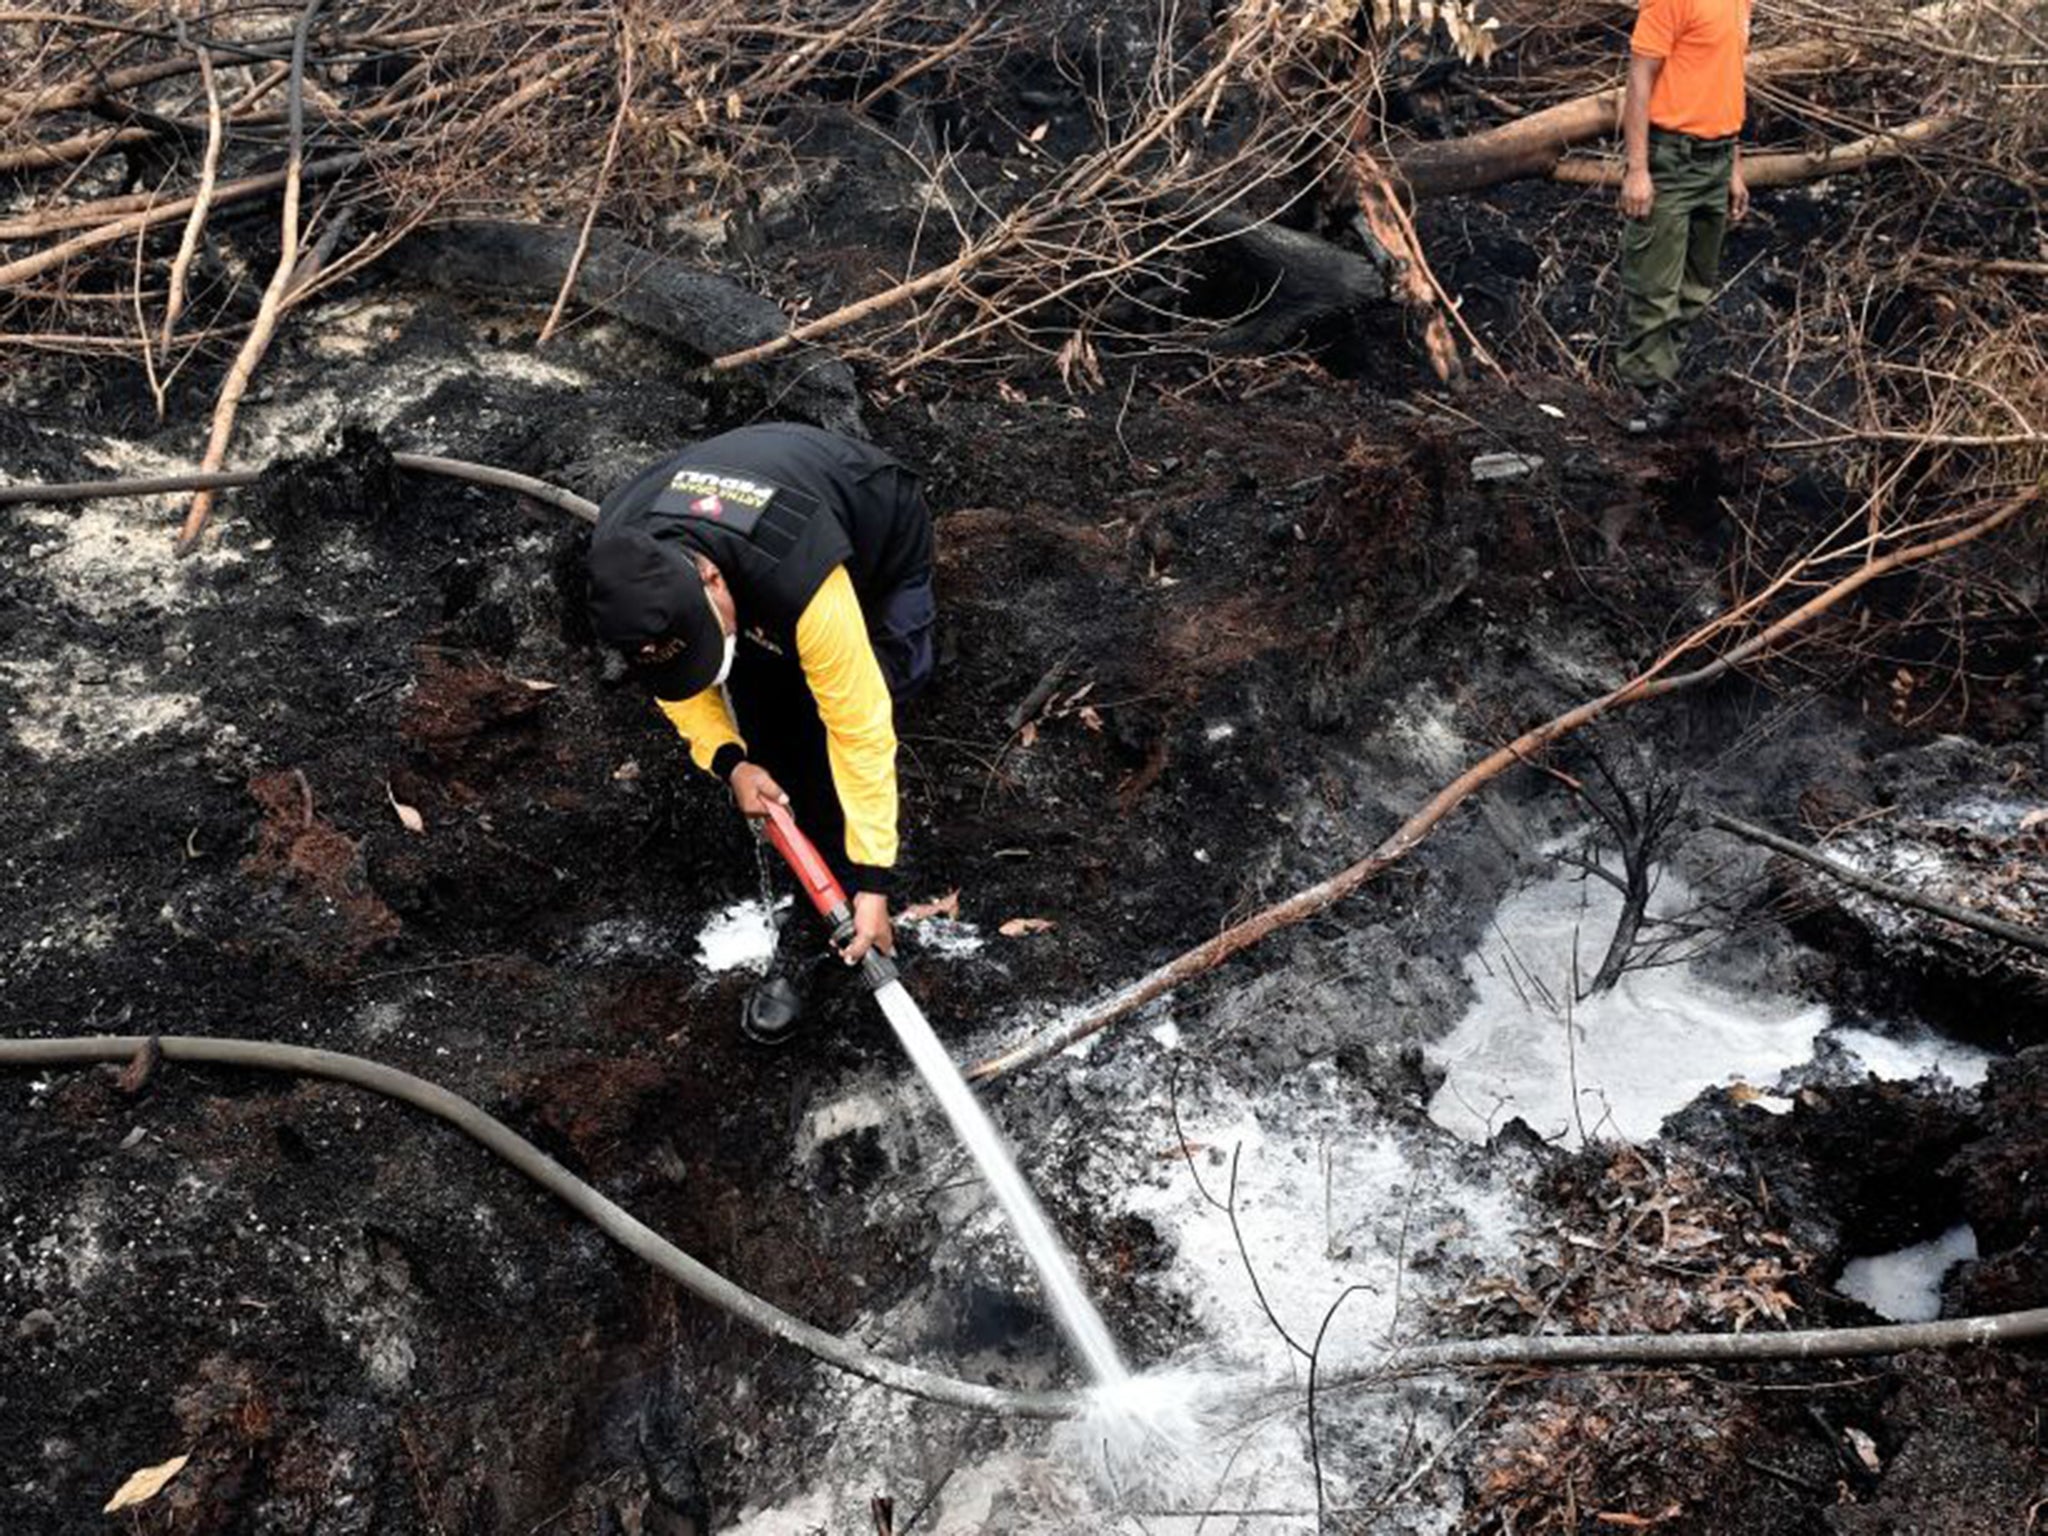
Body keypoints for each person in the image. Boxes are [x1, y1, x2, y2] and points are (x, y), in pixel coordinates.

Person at [586, 423, 936, 1044]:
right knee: (773, 717)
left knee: (885, 680)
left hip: (872, 513)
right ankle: (814, 914)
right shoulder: (626, 560)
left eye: (700, 637)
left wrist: (874, 879)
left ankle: (918, 645)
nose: (695, 656)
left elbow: (859, 728)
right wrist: (731, 762)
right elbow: (674, 684)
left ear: (713, 581)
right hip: (752, 546)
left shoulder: (797, 570)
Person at [1615, 0, 1752, 433]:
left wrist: (1733, 167)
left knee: (1696, 286)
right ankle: (1641, 397)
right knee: (1656, 286)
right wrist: (1638, 169)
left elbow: (1725, 79)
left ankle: (1662, 380)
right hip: (1670, 158)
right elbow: (1639, 79)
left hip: (1716, 156)